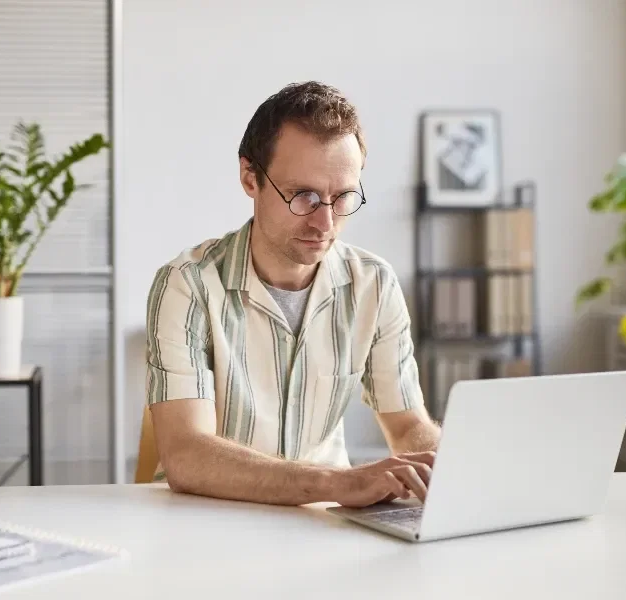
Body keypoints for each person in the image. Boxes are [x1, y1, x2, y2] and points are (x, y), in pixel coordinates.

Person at [145, 81, 442, 507]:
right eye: (303, 196)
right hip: (208, 521)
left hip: (325, 523)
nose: (325, 224)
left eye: (342, 198)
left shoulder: (374, 284)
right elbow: (186, 455)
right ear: (250, 177)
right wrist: (339, 484)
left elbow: (407, 424)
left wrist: (438, 464)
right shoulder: (187, 285)